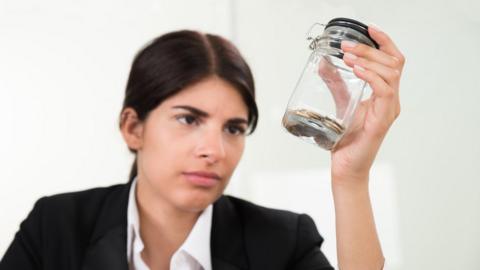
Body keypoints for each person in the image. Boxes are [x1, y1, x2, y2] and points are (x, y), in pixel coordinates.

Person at [0, 25, 405, 270]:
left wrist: (351, 176)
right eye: (188, 119)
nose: (214, 149)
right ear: (132, 128)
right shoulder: (56, 227)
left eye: (233, 128)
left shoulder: (280, 242)